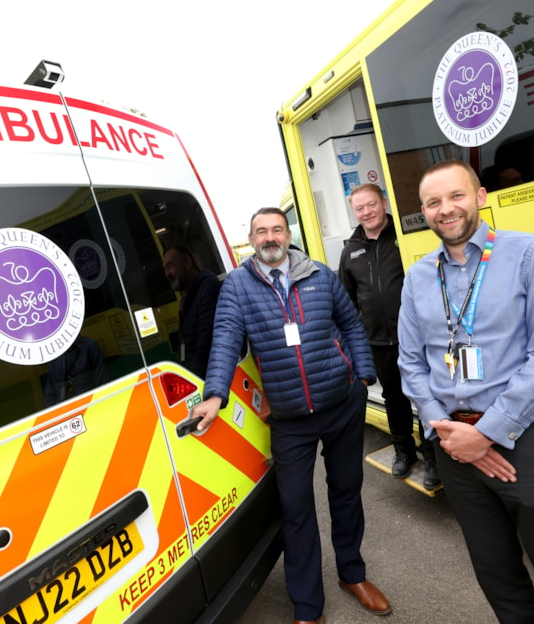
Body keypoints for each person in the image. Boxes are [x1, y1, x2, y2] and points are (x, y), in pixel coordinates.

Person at [397, 160, 534, 623]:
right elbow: (411, 364)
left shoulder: (532, 254)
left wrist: (487, 433)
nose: (445, 209)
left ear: (481, 196)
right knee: (499, 580)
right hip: (454, 448)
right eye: (433, 202)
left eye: (456, 196)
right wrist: (451, 434)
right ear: (423, 212)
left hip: (529, 441)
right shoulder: (417, 277)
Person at [192, 207, 390, 624]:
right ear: (251, 239)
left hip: (341, 402)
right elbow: (226, 339)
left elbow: (351, 323)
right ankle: (307, 604)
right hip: (289, 418)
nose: (269, 237)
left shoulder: (318, 274)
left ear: (287, 235)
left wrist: (363, 373)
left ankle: (352, 574)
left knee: (346, 492)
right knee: (296, 507)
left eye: (276, 229)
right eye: (261, 231)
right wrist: (214, 395)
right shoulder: (238, 288)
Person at [339, 183, 439, 491]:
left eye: (371, 204)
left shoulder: (406, 236)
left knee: (425, 397)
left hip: (415, 338)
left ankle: (433, 458)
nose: (367, 212)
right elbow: (345, 298)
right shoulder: (351, 249)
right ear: (354, 212)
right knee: (393, 398)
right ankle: (403, 453)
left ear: (384, 202)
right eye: (360, 208)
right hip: (378, 342)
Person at [162, 244, 220, 377]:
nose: (167, 274)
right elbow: (183, 342)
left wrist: (194, 375)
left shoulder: (208, 287)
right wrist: (182, 366)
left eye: (170, 266)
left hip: (210, 376)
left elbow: (207, 338)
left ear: (187, 263)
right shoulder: (185, 299)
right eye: (165, 269)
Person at [43, 335, 107, 405]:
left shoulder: (90, 345)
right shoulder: (54, 354)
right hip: (63, 409)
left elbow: (102, 383)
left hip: (90, 404)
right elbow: (50, 393)